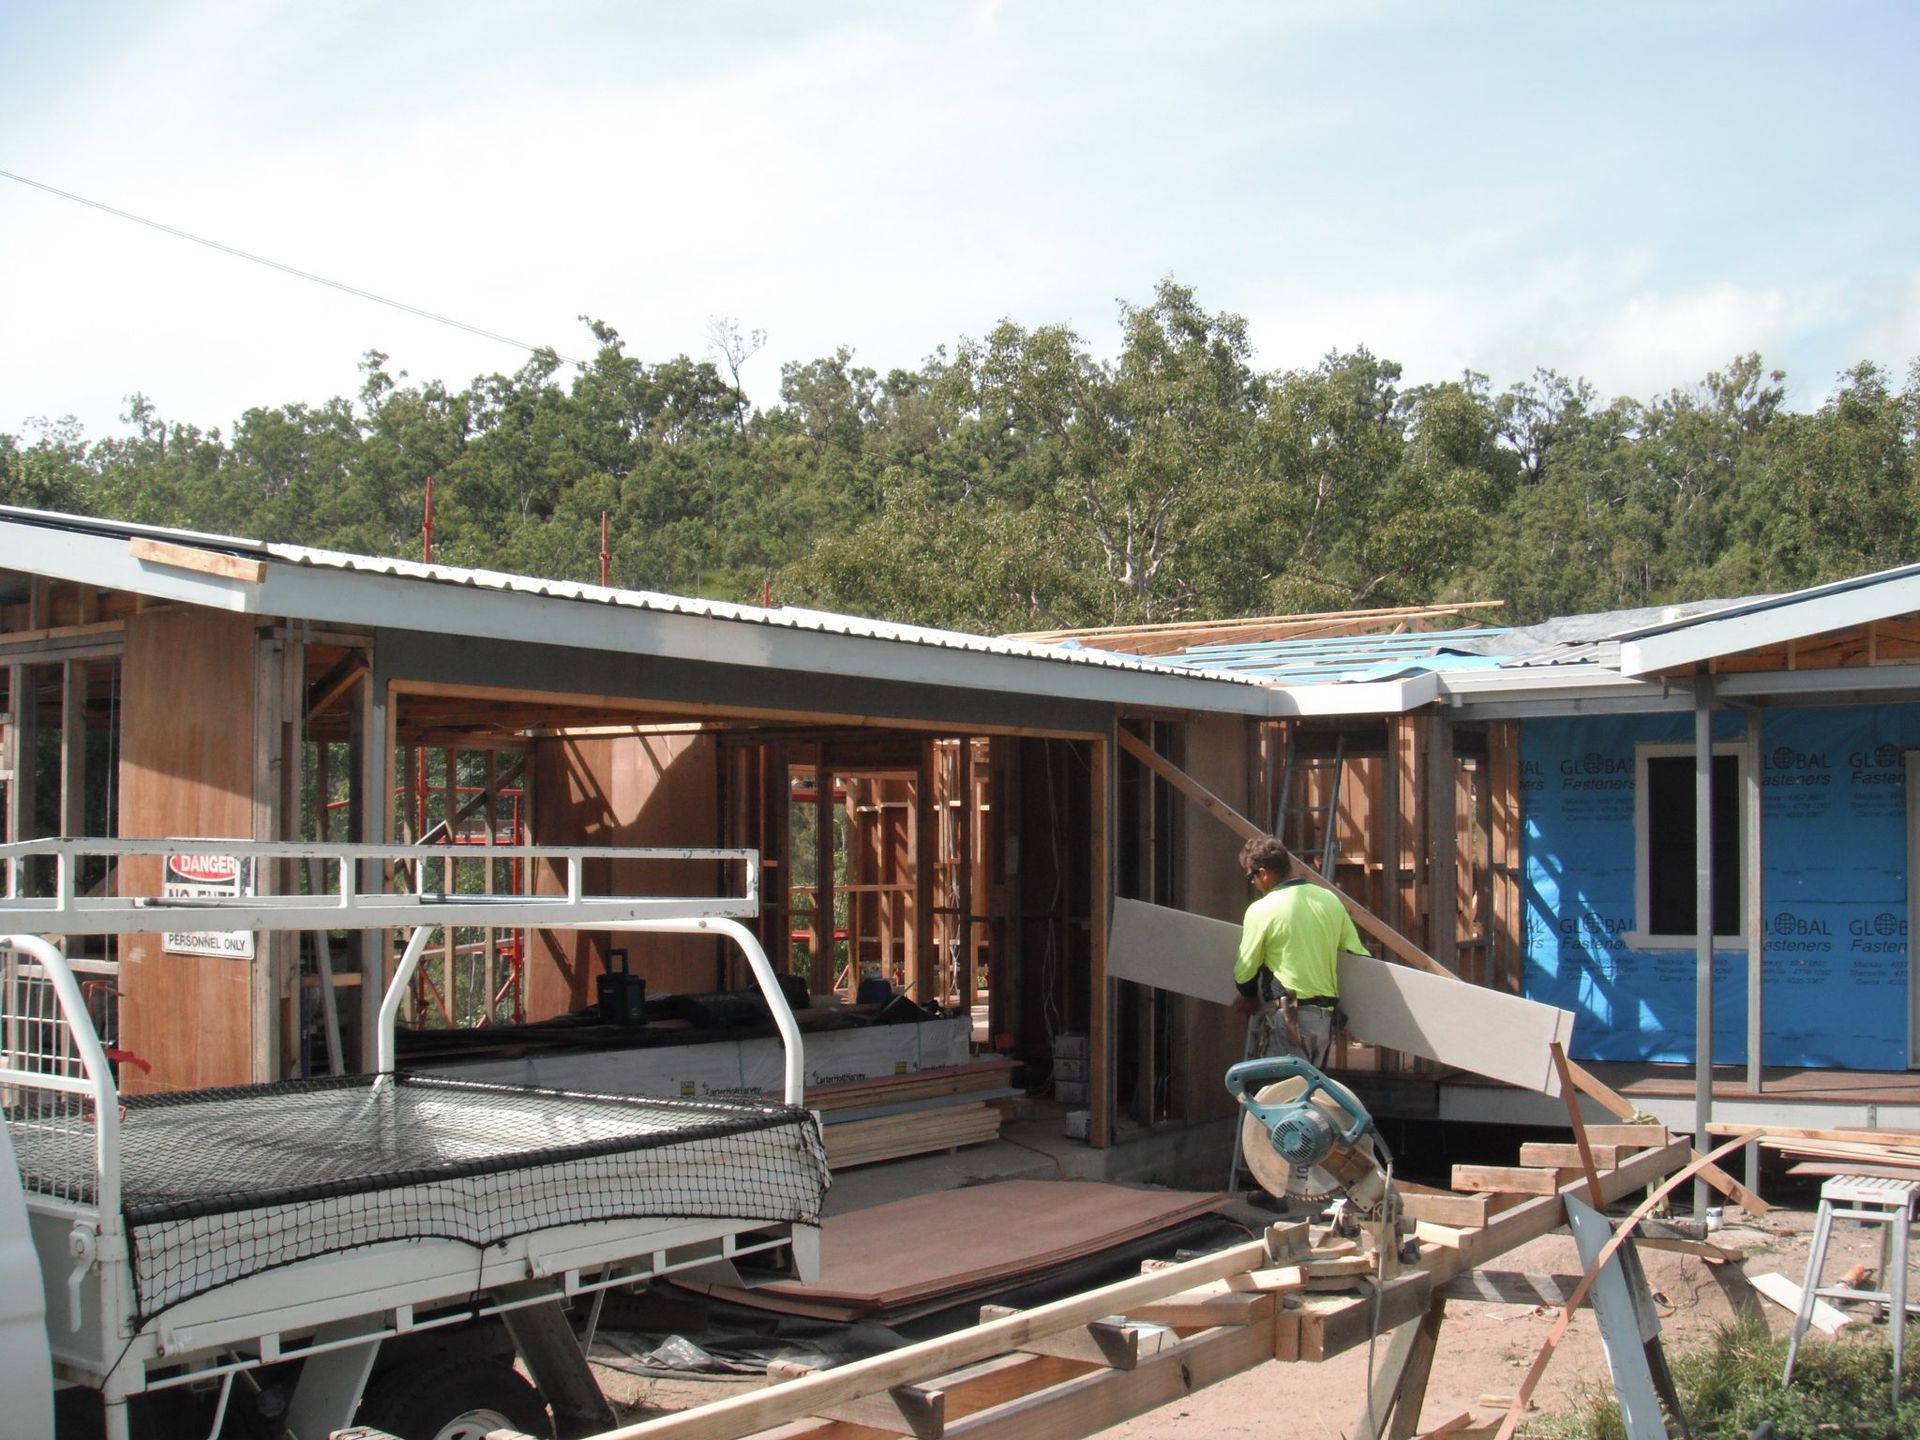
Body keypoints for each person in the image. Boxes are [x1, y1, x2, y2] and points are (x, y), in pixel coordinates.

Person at [1233, 836, 1366, 1068]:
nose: (1252, 883)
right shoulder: (1329, 900)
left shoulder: (1262, 910)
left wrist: (1248, 996)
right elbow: (1358, 955)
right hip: (1324, 1021)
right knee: (1308, 1096)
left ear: (1263, 873)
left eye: (1250, 876)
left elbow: (1245, 971)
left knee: (1280, 1096)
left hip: (1289, 1020)